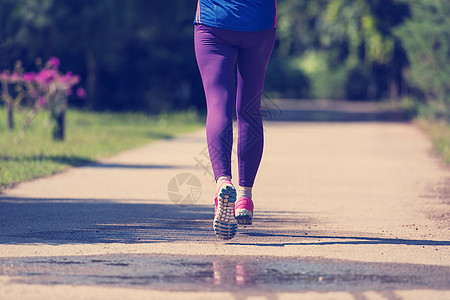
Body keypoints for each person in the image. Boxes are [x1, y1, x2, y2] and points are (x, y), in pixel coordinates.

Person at [194, 0, 277, 240]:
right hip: (259, 24)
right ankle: (244, 197)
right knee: (249, 110)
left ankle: (223, 183)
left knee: (218, 104)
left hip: (214, 21)